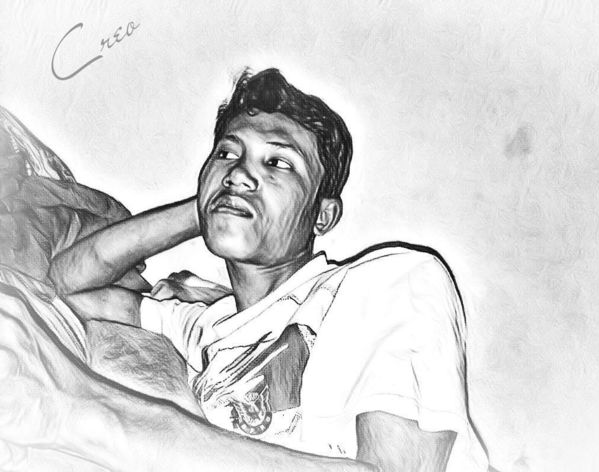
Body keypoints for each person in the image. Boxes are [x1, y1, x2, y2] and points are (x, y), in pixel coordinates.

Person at [3, 68, 488, 471]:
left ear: (322, 216)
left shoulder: (390, 282)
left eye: (279, 162)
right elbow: (65, 282)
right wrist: (209, 206)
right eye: (227, 154)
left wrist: (91, 414)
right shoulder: (202, 327)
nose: (239, 172)